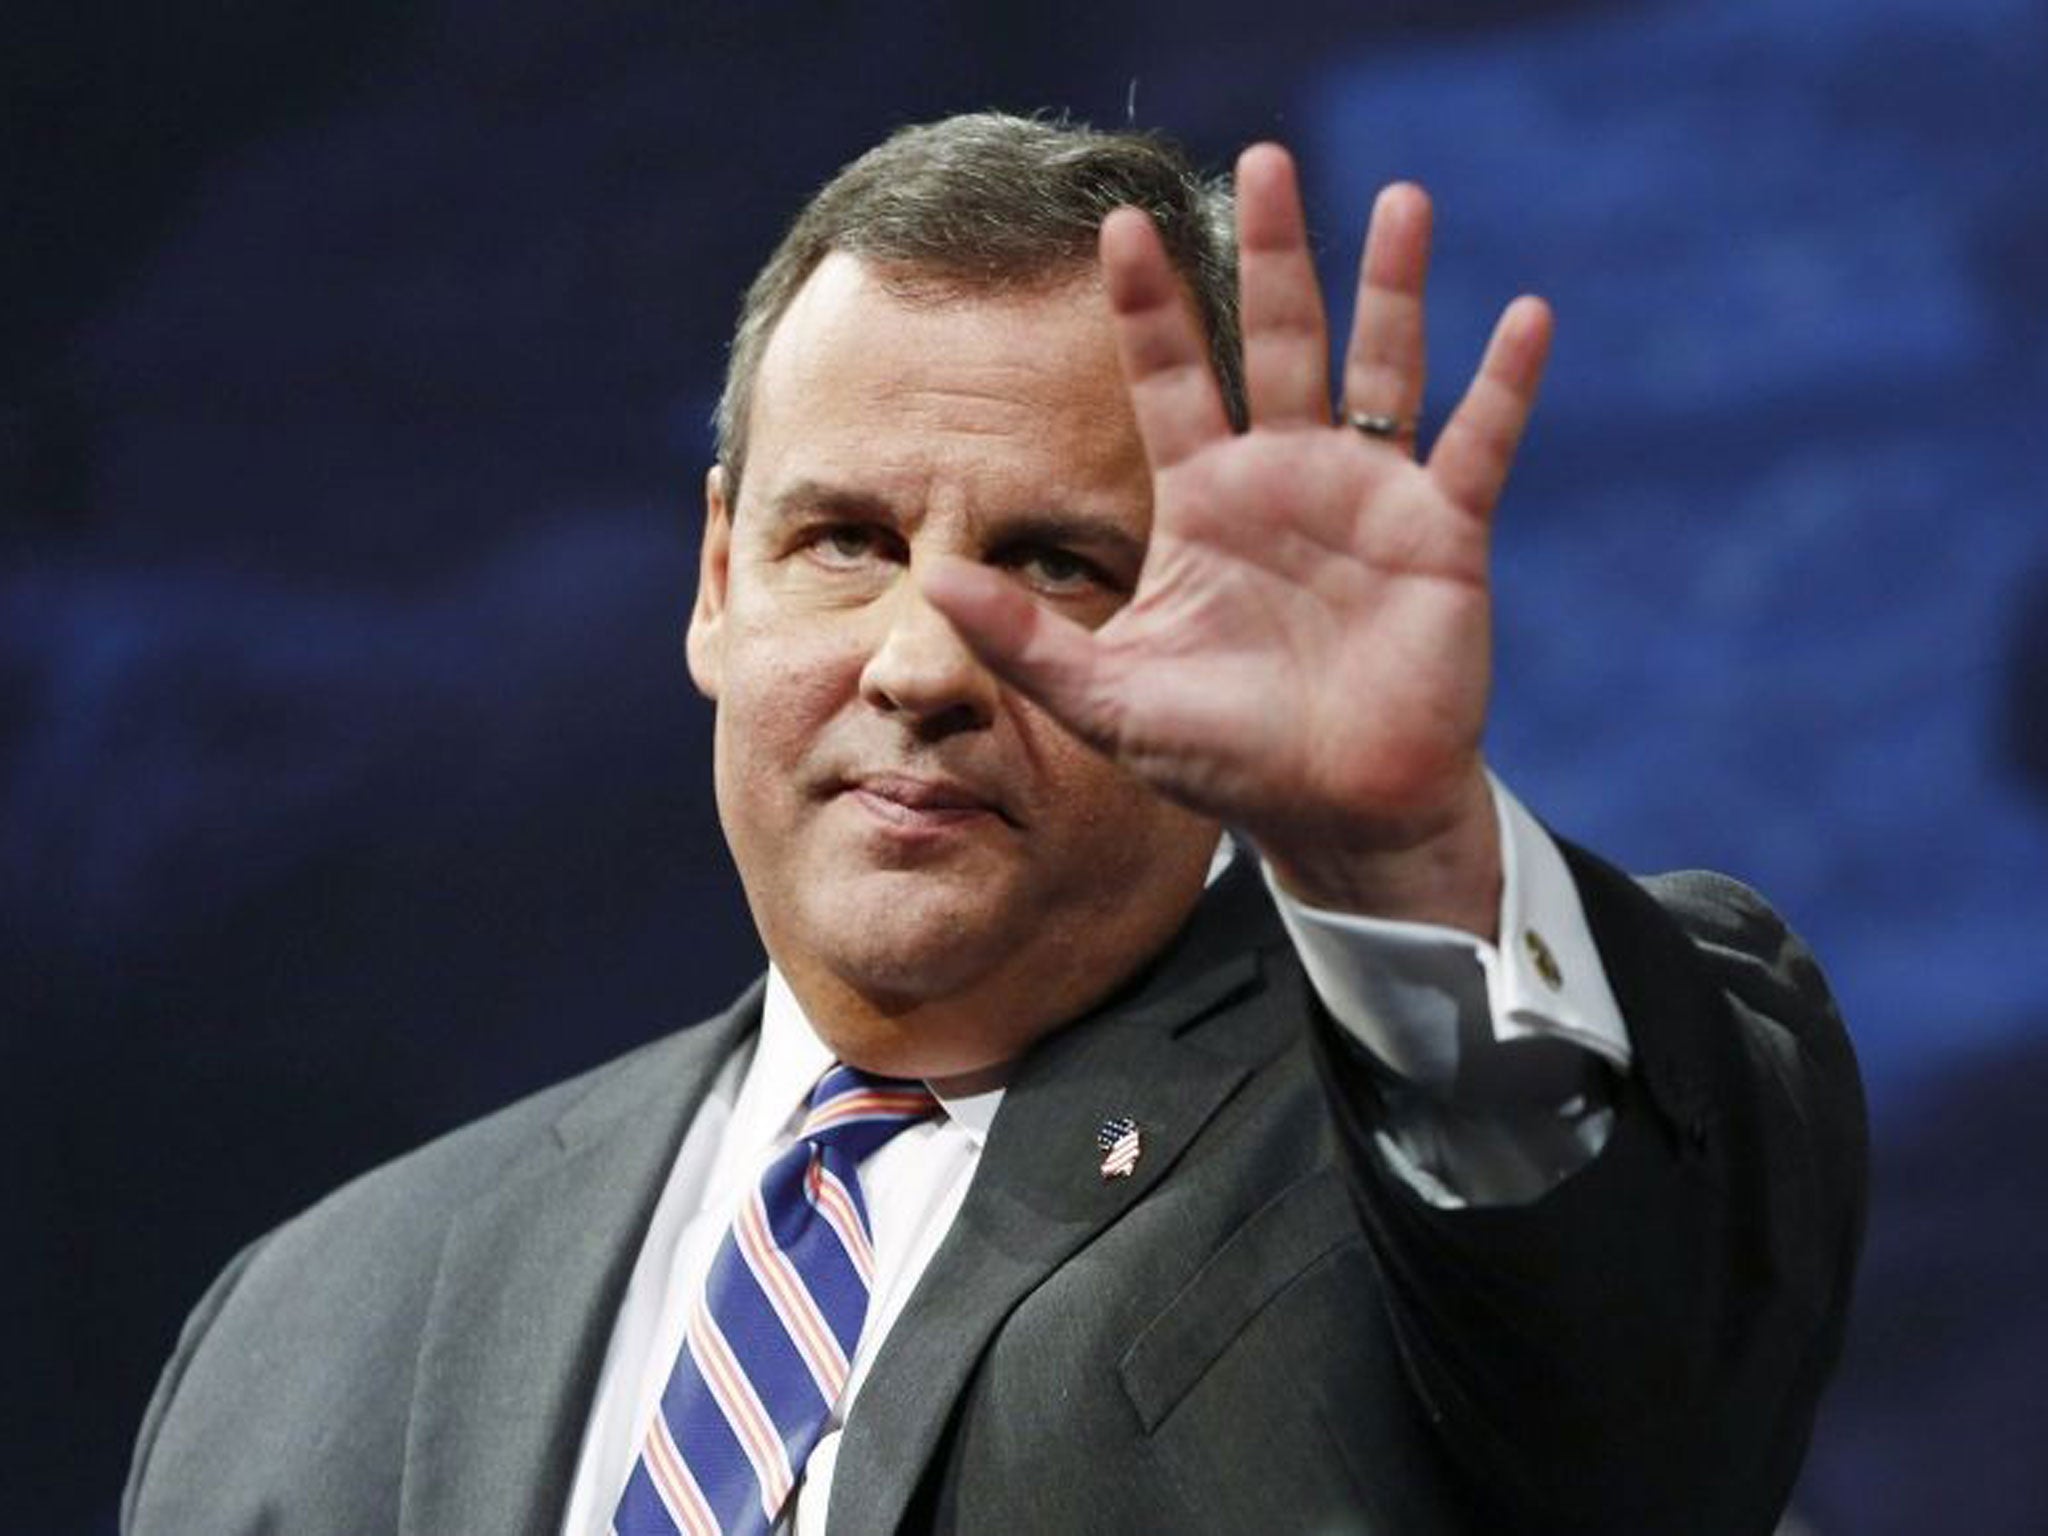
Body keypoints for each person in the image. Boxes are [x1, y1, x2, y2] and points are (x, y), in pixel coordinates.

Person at [123, 113, 1866, 1536]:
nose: (921, 664)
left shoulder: (1413, 1169)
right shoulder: (305, 1327)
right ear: (720, 575)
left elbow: (1631, 1351)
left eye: (1057, 565)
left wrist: (1396, 858)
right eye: (848, 541)